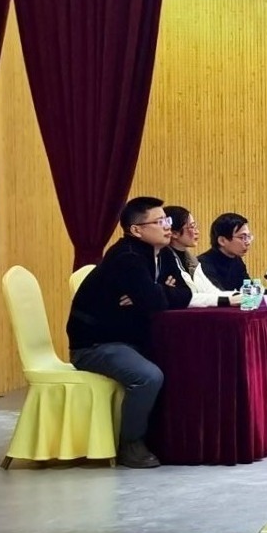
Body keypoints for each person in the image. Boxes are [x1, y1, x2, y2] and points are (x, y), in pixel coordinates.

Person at [65, 196, 193, 469]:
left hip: (132, 338)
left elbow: (184, 294)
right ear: (136, 230)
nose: (167, 227)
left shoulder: (164, 254)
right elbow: (155, 302)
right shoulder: (126, 257)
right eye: (160, 221)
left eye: (168, 220)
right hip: (96, 344)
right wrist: (157, 293)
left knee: (182, 364)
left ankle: (170, 440)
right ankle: (130, 444)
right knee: (148, 377)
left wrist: (153, 293)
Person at [165, 206, 230, 308]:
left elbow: (210, 291)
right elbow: (187, 298)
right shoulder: (166, 260)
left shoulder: (192, 261)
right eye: (192, 227)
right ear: (174, 233)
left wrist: (237, 296)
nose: (197, 232)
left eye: (195, 226)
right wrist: (228, 300)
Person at [198, 213, 255, 294]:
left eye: (248, 236)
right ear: (222, 241)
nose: (248, 242)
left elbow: (249, 290)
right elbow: (218, 294)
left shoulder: (236, 260)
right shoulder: (203, 264)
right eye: (242, 237)